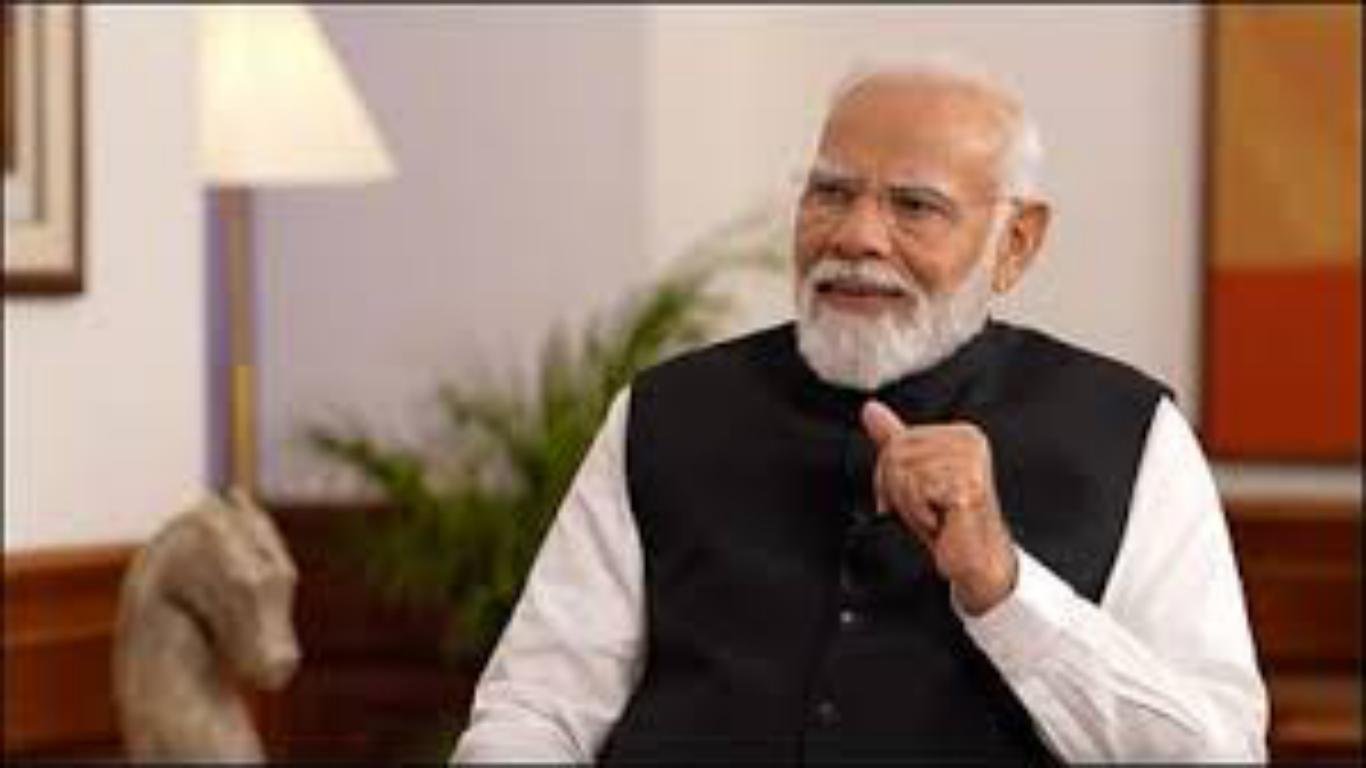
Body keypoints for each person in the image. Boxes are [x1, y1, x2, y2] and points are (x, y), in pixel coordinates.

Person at [451, 60, 1268, 764]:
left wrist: (1004, 588)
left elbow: (1219, 753)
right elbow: (537, 709)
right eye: (832, 193)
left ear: (1015, 242)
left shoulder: (1127, 434)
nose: (857, 236)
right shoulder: (664, 412)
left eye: (915, 206)